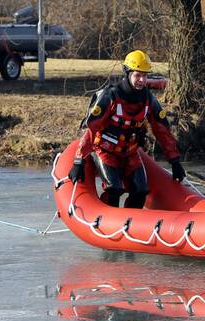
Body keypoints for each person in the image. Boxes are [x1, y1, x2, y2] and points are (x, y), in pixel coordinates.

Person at [68, 50, 185, 208]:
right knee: (114, 188)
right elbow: (91, 129)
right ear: (128, 73)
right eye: (137, 75)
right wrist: (78, 161)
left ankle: (131, 226)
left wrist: (175, 161)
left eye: (145, 76)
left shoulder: (149, 100)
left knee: (141, 190)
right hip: (104, 149)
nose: (142, 80)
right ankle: (107, 223)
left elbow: (162, 131)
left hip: (130, 152)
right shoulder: (110, 96)